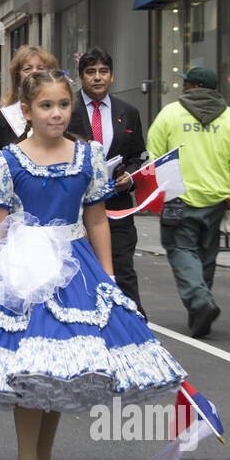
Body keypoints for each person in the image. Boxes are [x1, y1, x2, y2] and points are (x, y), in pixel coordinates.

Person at [0, 70, 188, 460]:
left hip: (76, 270)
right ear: (28, 111)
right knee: (32, 366)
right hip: (25, 272)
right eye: (46, 106)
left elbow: (95, 219)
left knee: (61, 370)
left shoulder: (88, 156)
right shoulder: (5, 160)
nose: (56, 113)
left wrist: (108, 277)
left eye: (63, 105)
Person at [146, 66, 230, 338]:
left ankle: (199, 301)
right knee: (206, 254)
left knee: (181, 249)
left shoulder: (170, 114)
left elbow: (154, 155)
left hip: (178, 196)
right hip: (216, 198)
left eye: (186, 83)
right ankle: (199, 312)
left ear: (191, 86)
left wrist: (159, 191)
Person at [67, 47, 148, 315]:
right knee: (81, 274)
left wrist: (131, 177)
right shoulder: (67, 111)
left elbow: (137, 156)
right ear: (81, 77)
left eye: (103, 72)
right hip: (76, 210)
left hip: (118, 207)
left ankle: (135, 327)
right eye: (91, 72)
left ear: (112, 77)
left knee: (123, 271)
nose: (97, 77)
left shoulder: (129, 112)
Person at [0, 45, 61, 151]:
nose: (34, 73)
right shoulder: (2, 118)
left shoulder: (61, 114)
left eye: (40, 68)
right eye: (27, 69)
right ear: (17, 76)